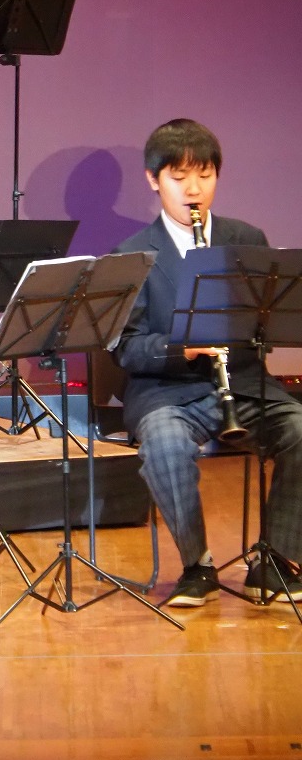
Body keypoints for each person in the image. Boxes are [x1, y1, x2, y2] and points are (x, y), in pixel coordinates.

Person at [112, 118, 302, 606]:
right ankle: (198, 565)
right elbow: (127, 347)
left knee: (301, 430)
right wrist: (186, 347)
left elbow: (268, 319)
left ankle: (276, 561)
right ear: (153, 180)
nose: (193, 189)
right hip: (166, 392)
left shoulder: (246, 237)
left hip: (242, 382)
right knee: (165, 445)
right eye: (179, 177)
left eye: (205, 175)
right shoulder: (133, 253)